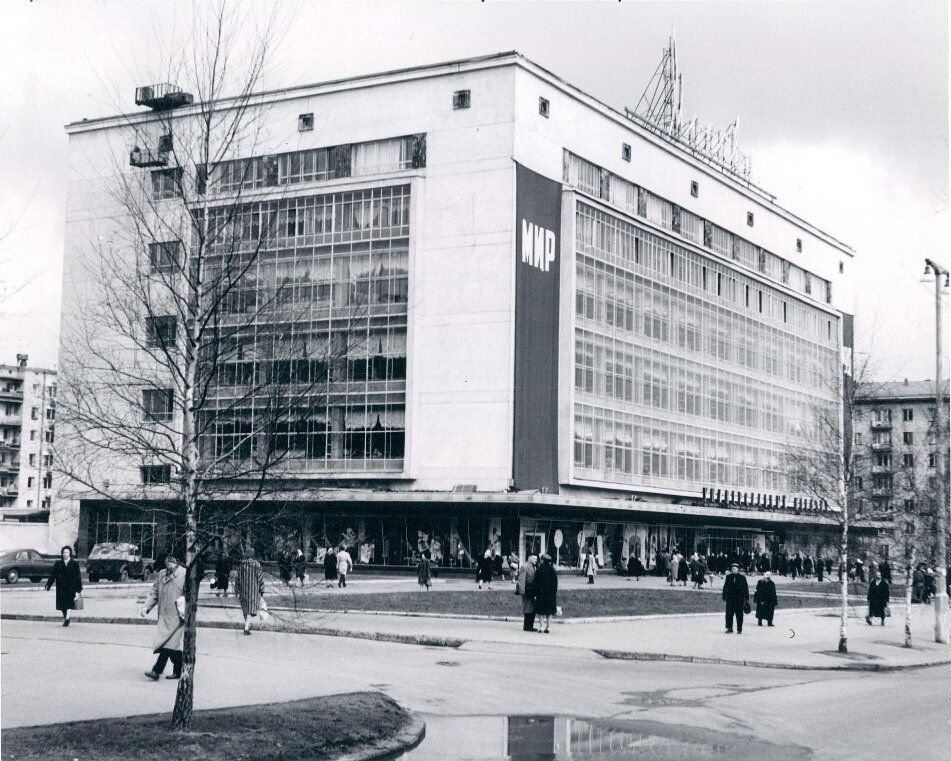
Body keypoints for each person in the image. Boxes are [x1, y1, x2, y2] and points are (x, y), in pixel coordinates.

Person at [141, 554, 186, 679]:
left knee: (168, 645)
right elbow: (155, 591)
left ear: (177, 562)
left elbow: (189, 595)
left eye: (171, 562)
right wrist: (146, 607)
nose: (169, 565)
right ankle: (179, 670)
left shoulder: (184, 574)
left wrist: (185, 612)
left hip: (178, 616)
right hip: (164, 616)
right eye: (166, 562)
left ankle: (156, 671)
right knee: (173, 647)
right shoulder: (162, 574)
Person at [45, 545, 83, 627]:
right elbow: (53, 575)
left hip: (70, 586)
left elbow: (78, 576)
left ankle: (67, 618)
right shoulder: (58, 563)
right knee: (62, 605)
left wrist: (79, 588)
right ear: (62, 553)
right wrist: (48, 584)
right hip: (61, 587)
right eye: (64, 552)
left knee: (69, 602)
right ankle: (66, 617)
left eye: (67, 552)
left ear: (70, 553)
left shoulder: (74, 563)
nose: (65, 554)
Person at [235, 546, 266, 635]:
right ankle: (246, 628)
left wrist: (236, 589)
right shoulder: (257, 565)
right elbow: (260, 578)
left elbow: (238, 578)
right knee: (251, 609)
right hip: (253, 590)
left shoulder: (242, 565)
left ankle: (247, 625)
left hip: (243, 590)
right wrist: (262, 590)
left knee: (246, 609)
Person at [533, 554, 558, 634]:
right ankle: (548, 626)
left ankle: (541, 627)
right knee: (549, 611)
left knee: (541, 611)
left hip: (541, 594)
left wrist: (536, 592)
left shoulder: (539, 570)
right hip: (550, 594)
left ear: (543, 560)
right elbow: (555, 583)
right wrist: (554, 592)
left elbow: (536, 582)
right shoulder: (552, 570)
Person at [722, 562, 750, 634]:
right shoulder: (728, 577)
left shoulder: (742, 578)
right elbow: (725, 587)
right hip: (730, 599)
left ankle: (739, 628)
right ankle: (729, 628)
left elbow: (746, 589)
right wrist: (724, 596)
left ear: (738, 569)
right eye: (732, 569)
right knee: (729, 614)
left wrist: (747, 599)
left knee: (739, 614)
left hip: (739, 599)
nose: (733, 570)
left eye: (734, 569)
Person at [516, 554, 538, 632]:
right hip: (527, 590)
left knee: (532, 608)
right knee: (528, 608)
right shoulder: (524, 567)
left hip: (532, 590)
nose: (536, 560)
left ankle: (530, 625)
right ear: (529, 559)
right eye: (534, 558)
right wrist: (522, 591)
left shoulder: (534, 567)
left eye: (536, 559)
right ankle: (527, 626)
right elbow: (521, 580)